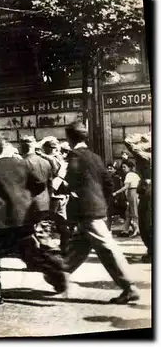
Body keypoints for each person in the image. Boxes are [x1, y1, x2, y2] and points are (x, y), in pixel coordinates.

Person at [59, 121, 140, 304]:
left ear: (70, 138)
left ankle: (129, 287)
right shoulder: (96, 157)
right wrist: (102, 203)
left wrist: (65, 187)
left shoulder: (74, 156)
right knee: (79, 246)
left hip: (86, 210)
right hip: (97, 208)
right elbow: (108, 183)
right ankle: (60, 276)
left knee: (107, 248)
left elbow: (70, 180)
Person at [0, 142, 68, 304]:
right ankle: (57, 275)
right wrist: (24, 197)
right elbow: (39, 185)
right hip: (24, 217)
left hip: (0, 219)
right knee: (30, 253)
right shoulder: (23, 164)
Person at [124, 133, 152, 262]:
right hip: (147, 189)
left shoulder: (146, 156)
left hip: (148, 189)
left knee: (146, 222)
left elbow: (128, 141)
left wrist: (142, 137)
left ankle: (152, 251)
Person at [112, 159, 140, 237]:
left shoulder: (129, 175)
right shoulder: (135, 174)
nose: (123, 169)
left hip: (132, 193)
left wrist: (116, 192)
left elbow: (126, 186)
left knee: (134, 213)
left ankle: (137, 230)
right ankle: (125, 230)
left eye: (124, 167)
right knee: (128, 213)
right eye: (122, 167)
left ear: (129, 167)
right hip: (133, 193)